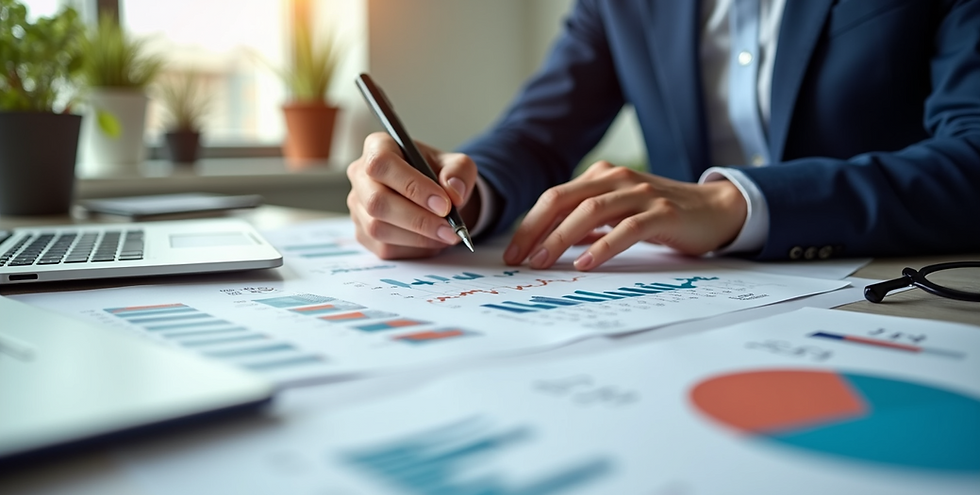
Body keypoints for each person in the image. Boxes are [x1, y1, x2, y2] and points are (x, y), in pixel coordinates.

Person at [346, 0, 980, 271]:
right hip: (692, 311)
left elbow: (971, 154)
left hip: (904, 291)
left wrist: (736, 203)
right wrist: (456, 194)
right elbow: (535, 139)